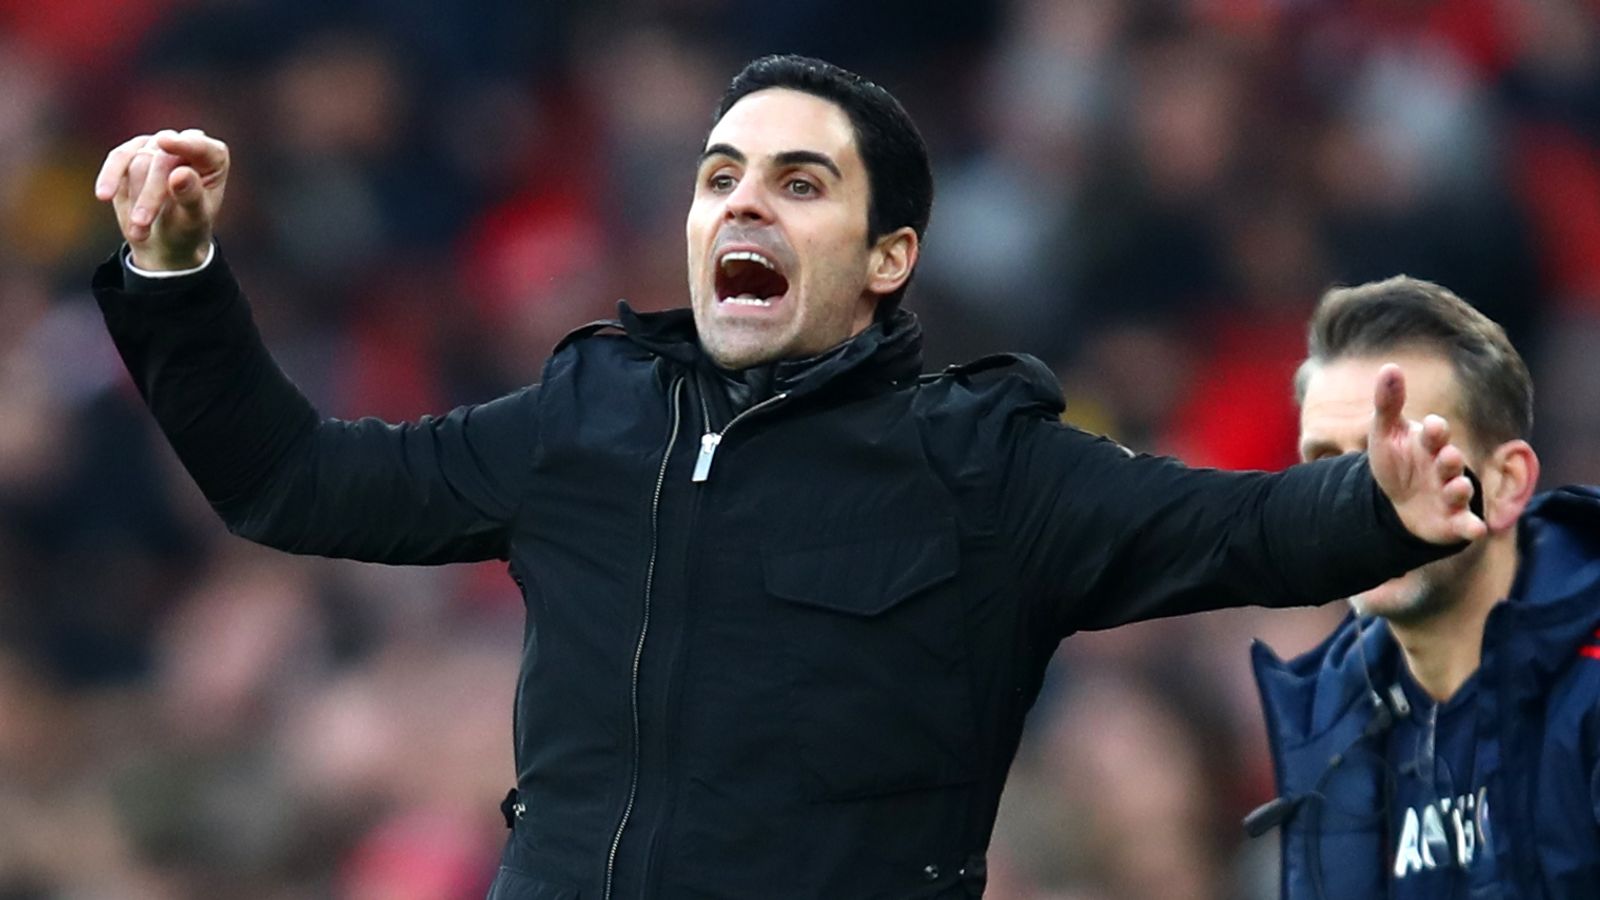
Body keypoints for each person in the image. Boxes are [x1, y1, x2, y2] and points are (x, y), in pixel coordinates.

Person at [92, 55, 1483, 900]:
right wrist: (177, 276)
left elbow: (1233, 527)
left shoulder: (984, 468)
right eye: (720, 176)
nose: (743, 201)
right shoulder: (586, 416)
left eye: (800, 182)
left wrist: (1382, 507)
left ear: (888, 260)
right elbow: (290, 484)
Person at [1249, 276, 1600, 898]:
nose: (1359, 499)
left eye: (1404, 450)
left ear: (1507, 483)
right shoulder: (1329, 730)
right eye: (1327, 465)